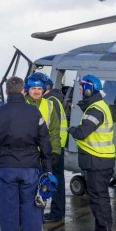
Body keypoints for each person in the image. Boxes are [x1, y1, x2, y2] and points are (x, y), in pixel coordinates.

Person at [0, 76, 53, 231]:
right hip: (30, 167)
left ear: (7, 92)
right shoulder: (34, 112)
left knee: (8, 210)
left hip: (6, 168)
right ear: (23, 91)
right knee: (31, 209)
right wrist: (48, 167)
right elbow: (44, 141)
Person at [68, 75, 115, 231]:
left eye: (82, 88)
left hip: (98, 160)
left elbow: (82, 132)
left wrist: (71, 130)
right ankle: (100, 230)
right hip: (98, 160)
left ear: (89, 89)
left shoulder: (95, 110)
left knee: (99, 199)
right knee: (98, 198)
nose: (80, 91)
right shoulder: (97, 106)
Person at [23, 73, 62, 220]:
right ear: (27, 89)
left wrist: (56, 152)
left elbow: (54, 132)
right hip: (26, 157)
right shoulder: (21, 105)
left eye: (39, 88)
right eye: (33, 88)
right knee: (26, 194)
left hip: (43, 158)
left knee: (42, 193)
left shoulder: (49, 105)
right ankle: (24, 224)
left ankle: (37, 226)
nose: (37, 91)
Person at [41, 75, 68, 223]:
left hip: (54, 148)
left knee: (52, 180)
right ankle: (58, 212)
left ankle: (56, 212)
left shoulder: (50, 102)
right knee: (58, 179)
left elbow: (52, 127)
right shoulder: (56, 99)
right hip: (59, 146)